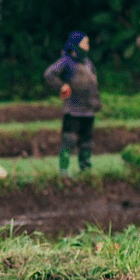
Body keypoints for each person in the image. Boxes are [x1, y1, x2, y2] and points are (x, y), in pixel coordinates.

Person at [43, 31, 100, 174]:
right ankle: (64, 172)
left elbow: (94, 84)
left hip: (88, 110)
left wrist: (96, 101)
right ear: (75, 46)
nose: (87, 47)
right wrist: (62, 86)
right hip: (73, 109)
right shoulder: (66, 61)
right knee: (69, 139)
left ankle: (85, 170)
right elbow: (49, 74)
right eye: (84, 44)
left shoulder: (88, 63)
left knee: (87, 142)